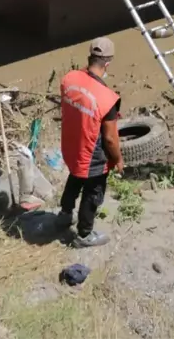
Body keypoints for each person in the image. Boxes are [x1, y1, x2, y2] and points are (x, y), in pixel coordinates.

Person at [58, 36, 124, 248]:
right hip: (91, 150)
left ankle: (65, 214)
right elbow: (110, 139)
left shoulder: (69, 78)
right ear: (107, 63)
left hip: (71, 143)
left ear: (90, 57)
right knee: (93, 190)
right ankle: (85, 234)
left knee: (75, 177)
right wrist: (118, 160)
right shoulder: (107, 99)